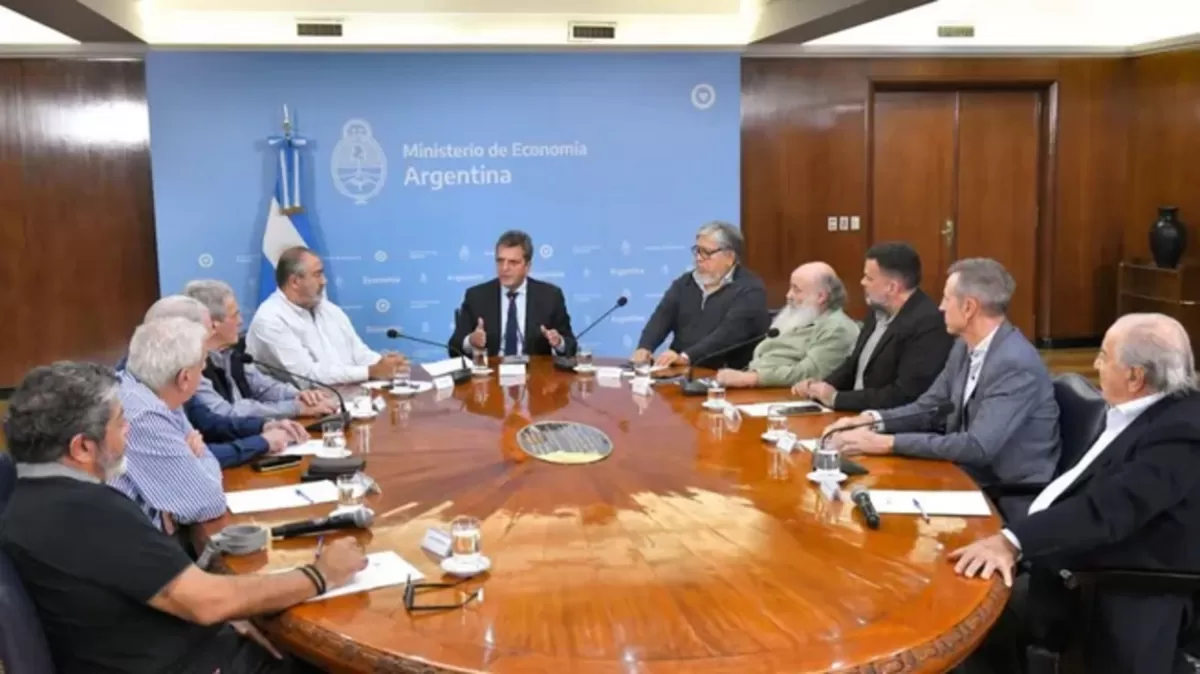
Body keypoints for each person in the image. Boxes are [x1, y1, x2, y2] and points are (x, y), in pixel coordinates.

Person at [0, 360, 366, 673]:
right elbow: (207, 602)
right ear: (82, 447)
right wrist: (321, 574)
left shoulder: (23, 502)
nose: (129, 431)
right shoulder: (88, 511)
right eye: (120, 422)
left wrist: (232, 615)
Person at [950, 313, 1200, 674]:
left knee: (968, 617)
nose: (1095, 365)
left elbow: (1107, 510)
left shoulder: (1182, 432)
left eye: (1103, 356)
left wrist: (1011, 542)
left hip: (1110, 587)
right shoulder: (1142, 411)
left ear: (1135, 377)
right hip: (1059, 553)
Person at [822, 258, 1060, 520]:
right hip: (964, 474)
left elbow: (977, 447)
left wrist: (886, 443)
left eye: (946, 298)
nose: (940, 307)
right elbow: (928, 406)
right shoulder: (963, 346)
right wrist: (870, 420)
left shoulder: (1014, 364)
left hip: (1006, 492)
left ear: (968, 307)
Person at [137, 295, 303, 468]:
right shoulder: (143, 403)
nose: (208, 347)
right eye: (205, 336)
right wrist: (262, 442)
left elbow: (209, 422)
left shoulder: (168, 376)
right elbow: (192, 459)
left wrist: (264, 426)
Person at [793, 242, 952, 411]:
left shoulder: (928, 324)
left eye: (869, 278)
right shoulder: (878, 310)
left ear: (892, 287)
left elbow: (906, 394)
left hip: (887, 421)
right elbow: (853, 365)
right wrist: (819, 387)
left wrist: (836, 398)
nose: (862, 282)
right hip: (854, 412)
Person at [110, 317, 235, 530]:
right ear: (184, 378)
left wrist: (193, 463)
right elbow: (208, 502)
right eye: (202, 366)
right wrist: (196, 458)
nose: (204, 371)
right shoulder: (144, 414)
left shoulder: (153, 391)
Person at [247, 246, 406, 385]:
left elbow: (359, 353)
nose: (324, 281)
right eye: (317, 275)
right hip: (295, 405)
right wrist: (370, 371)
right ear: (295, 282)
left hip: (346, 396)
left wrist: (385, 364)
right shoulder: (270, 319)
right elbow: (307, 377)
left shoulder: (328, 309)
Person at [184, 279, 337, 419]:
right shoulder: (193, 366)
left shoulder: (231, 354)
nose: (241, 321)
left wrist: (302, 396)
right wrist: (296, 408)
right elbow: (228, 413)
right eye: (235, 315)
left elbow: (264, 387)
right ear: (213, 323)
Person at [633, 221, 770, 370]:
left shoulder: (750, 290)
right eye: (697, 251)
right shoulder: (685, 283)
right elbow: (661, 318)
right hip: (679, 370)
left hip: (726, 373)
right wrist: (645, 347)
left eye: (706, 252)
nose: (698, 258)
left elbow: (727, 335)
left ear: (730, 257)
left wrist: (686, 357)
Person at [715, 262, 859, 388]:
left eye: (797, 290)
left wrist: (752, 378)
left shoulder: (837, 328)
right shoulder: (801, 318)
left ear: (821, 296)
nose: (788, 295)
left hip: (790, 397)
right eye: (790, 288)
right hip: (761, 390)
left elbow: (809, 373)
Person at [449, 230, 576, 358]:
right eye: (500, 261)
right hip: (491, 369)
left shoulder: (550, 296)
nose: (504, 268)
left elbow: (571, 345)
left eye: (513, 262)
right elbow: (454, 347)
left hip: (534, 369)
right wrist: (471, 341)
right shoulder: (476, 296)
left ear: (527, 266)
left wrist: (558, 342)